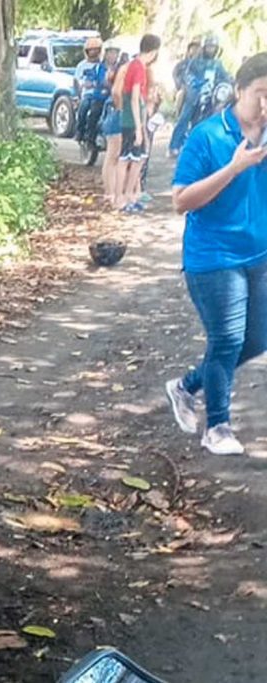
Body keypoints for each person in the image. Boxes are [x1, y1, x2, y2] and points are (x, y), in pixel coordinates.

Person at [165, 53, 267, 455]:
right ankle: (218, 426)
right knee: (226, 339)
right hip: (213, 257)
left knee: (257, 338)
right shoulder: (208, 135)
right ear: (239, 90)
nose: (265, 104)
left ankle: (186, 386)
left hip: (258, 253)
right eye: (259, 94)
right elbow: (181, 200)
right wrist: (235, 167)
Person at [114, 35, 161, 212]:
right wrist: (139, 128)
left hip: (132, 119)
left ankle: (129, 196)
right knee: (130, 159)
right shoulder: (139, 68)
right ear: (154, 51)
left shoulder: (136, 65)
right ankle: (123, 197)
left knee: (135, 159)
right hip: (131, 120)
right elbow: (134, 98)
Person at [169, 34, 233, 156]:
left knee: (203, 123)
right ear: (204, 47)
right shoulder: (195, 62)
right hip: (193, 95)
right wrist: (194, 83)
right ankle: (174, 146)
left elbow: (224, 77)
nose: (211, 50)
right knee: (184, 118)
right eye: (209, 47)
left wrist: (229, 81)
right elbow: (187, 74)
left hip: (209, 98)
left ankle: (196, 147)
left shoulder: (217, 64)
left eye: (213, 47)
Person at [100, 47, 125, 201]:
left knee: (115, 157)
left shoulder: (118, 68)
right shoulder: (106, 70)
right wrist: (121, 107)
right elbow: (115, 93)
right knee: (112, 156)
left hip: (114, 113)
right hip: (113, 114)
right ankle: (109, 192)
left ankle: (114, 192)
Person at [74, 37, 106, 146]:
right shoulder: (81, 66)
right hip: (87, 94)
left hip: (101, 93)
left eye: (96, 50)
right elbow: (77, 81)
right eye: (91, 50)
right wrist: (78, 95)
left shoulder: (102, 65)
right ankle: (80, 130)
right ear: (87, 51)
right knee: (84, 107)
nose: (94, 52)